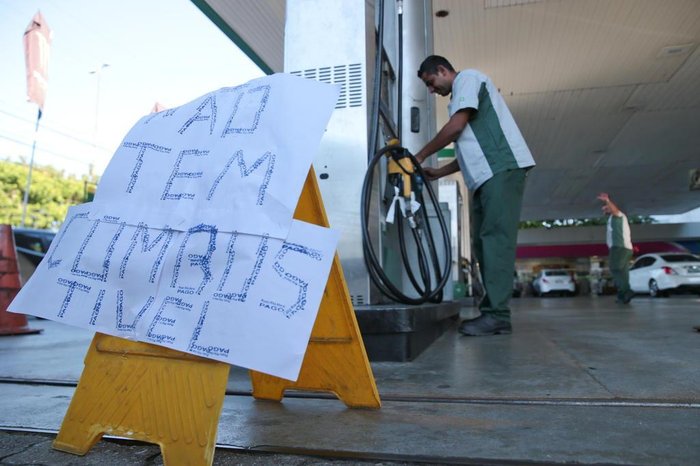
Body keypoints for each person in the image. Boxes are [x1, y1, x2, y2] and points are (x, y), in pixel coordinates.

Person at [414, 55, 535, 336]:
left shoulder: (468, 78)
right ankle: (493, 313)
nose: (431, 90)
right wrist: (439, 172)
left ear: (442, 70)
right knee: (483, 244)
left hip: (501, 169)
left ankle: (498, 315)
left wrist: (420, 155)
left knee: (495, 241)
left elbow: (456, 128)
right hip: (485, 176)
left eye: (431, 83)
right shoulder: (458, 99)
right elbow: (470, 148)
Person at [597, 192, 634, 304]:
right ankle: (623, 294)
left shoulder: (619, 216)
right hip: (619, 248)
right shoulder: (611, 219)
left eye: (607, 208)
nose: (605, 210)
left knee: (615, 267)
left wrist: (607, 201)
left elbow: (615, 210)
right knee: (622, 271)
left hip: (620, 247)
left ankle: (626, 291)